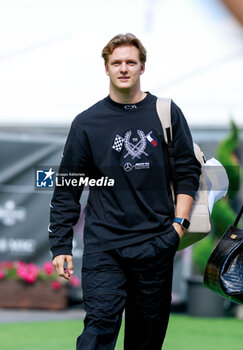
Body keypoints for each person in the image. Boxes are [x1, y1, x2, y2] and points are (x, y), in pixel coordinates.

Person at [49, 33, 201, 350]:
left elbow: (188, 172)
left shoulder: (167, 113)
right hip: (105, 246)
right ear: (106, 68)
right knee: (99, 327)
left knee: (146, 339)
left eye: (130, 62)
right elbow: (68, 187)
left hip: (157, 243)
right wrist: (60, 244)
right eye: (116, 62)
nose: (123, 68)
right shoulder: (87, 123)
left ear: (141, 67)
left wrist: (178, 227)